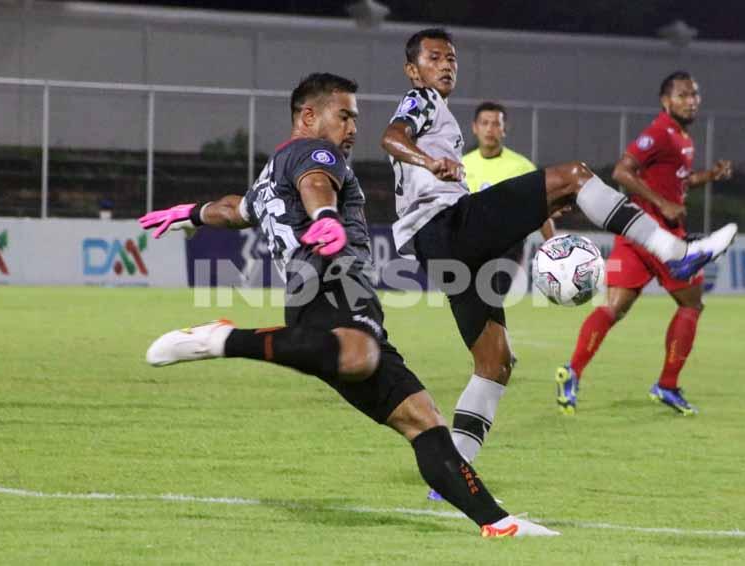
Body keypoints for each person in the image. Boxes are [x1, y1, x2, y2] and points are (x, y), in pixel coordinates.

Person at [137, 73, 558, 537]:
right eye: (344, 116)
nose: (353, 127)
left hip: (331, 306)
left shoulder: (272, 171)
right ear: (308, 116)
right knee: (359, 356)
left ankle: (497, 522)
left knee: (422, 418)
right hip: (332, 288)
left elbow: (237, 209)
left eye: (354, 118)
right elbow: (317, 183)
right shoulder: (317, 153)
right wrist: (325, 216)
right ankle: (220, 339)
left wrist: (193, 214)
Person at [379, 29, 737, 481]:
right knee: (574, 175)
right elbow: (391, 136)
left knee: (495, 363)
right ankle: (675, 252)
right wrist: (427, 160)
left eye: (451, 58)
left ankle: (452, 475)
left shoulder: (439, 113)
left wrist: (541, 208)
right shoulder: (422, 99)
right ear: (413, 70)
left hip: (441, 248)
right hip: (446, 228)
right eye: (434, 58)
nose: (447, 64)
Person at [556, 70, 734, 416]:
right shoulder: (660, 132)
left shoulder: (682, 137)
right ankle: (667, 385)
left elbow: (678, 182)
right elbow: (622, 171)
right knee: (692, 305)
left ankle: (572, 372)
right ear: (665, 101)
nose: (691, 101)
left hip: (634, 235)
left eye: (694, 94)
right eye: (682, 95)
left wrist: (709, 176)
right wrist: (662, 204)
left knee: (613, 308)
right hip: (660, 236)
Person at [462, 101, 555, 297]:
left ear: (505, 129)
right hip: (470, 245)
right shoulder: (462, 165)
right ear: (475, 128)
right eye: (485, 123)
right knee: (474, 304)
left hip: (507, 247)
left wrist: (554, 247)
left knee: (491, 297)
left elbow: (541, 210)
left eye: (496, 124)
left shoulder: (522, 167)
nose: (490, 129)